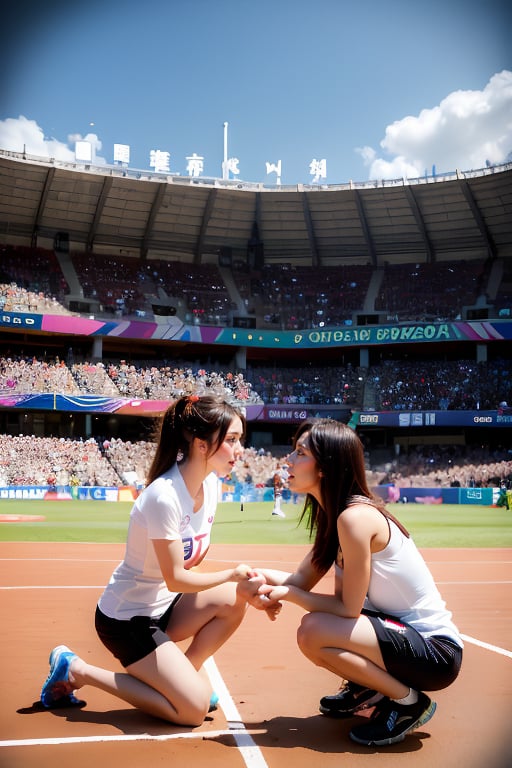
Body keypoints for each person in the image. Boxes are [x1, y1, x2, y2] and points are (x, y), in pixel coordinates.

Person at [40, 394, 258, 726]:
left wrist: (241, 583)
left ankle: (184, 678)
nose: (239, 449)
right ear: (201, 444)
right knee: (193, 711)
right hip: (127, 620)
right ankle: (77, 669)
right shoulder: (164, 496)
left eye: (239, 439)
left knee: (234, 599)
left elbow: (189, 567)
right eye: (231, 440)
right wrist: (231, 574)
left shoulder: (211, 486)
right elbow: (176, 579)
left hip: (165, 607)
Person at [243, 418, 463, 747]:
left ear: (325, 468)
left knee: (314, 630)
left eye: (299, 452)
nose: (287, 459)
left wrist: (286, 594)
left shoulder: (355, 518)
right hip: (398, 637)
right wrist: (251, 577)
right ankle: (369, 689)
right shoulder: (335, 517)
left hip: (435, 654)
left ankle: (408, 703)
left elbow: (347, 608)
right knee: (315, 627)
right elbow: (299, 579)